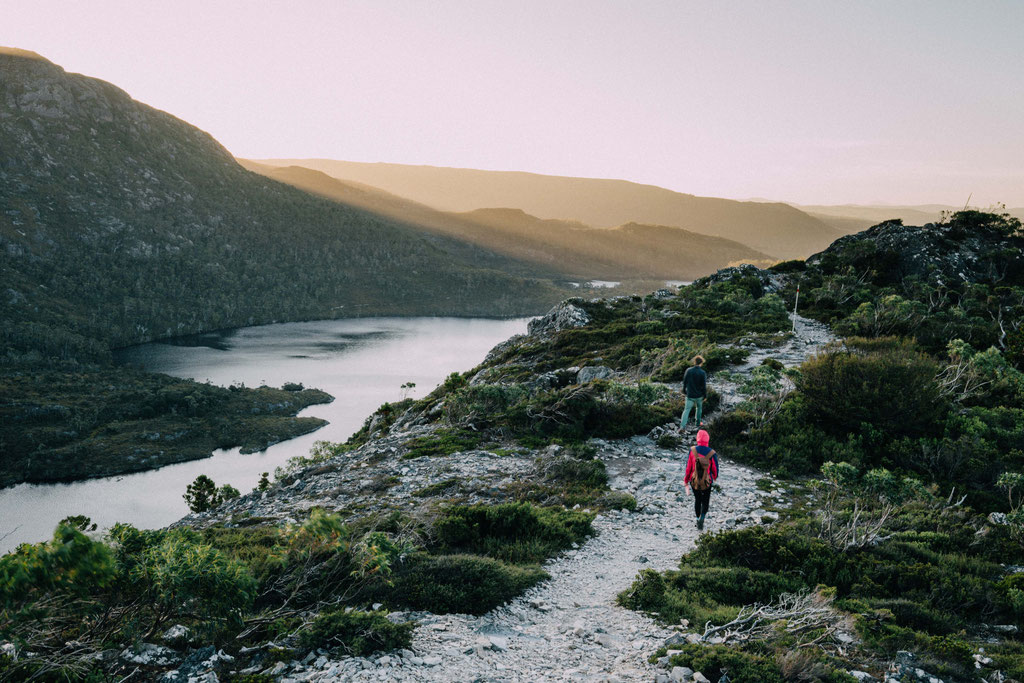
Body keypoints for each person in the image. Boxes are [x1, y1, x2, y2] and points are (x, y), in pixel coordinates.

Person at [684, 429, 718, 530]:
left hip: (693, 481)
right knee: (705, 500)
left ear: (697, 439)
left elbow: (689, 467)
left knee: (697, 500)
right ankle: (702, 517)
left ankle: (697, 518)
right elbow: (715, 468)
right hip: (707, 481)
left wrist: (686, 479)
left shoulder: (692, 450)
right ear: (707, 439)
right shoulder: (711, 453)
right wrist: (714, 477)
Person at [680, 355, 707, 430]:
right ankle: (698, 423)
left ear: (694, 362)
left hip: (690, 395)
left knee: (686, 410)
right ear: (701, 363)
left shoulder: (688, 370)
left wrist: (684, 391)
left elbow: (684, 382)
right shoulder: (702, 372)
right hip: (699, 396)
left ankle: (682, 426)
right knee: (699, 409)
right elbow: (704, 386)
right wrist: (705, 395)